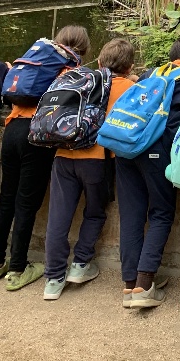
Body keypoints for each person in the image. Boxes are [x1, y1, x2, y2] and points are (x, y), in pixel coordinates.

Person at [115, 35, 180, 309]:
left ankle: (130, 283)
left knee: (131, 213)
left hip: (126, 146)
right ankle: (145, 284)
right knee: (161, 212)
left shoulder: (151, 73)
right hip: (155, 150)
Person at [0, 25, 90, 291]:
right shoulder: (69, 68)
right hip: (36, 136)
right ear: (83, 46)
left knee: (6, 198)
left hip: (12, 129)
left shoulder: (37, 60)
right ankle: (18, 268)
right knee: (26, 203)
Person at [43, 37, 137, 299]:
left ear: (99, 62)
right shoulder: (129, 87)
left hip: (64, 154)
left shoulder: (80, 79)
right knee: (95, 213)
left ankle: (53, 279)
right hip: (98, 159)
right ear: (130, 66)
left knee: (57, 218)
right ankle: (80, 264)